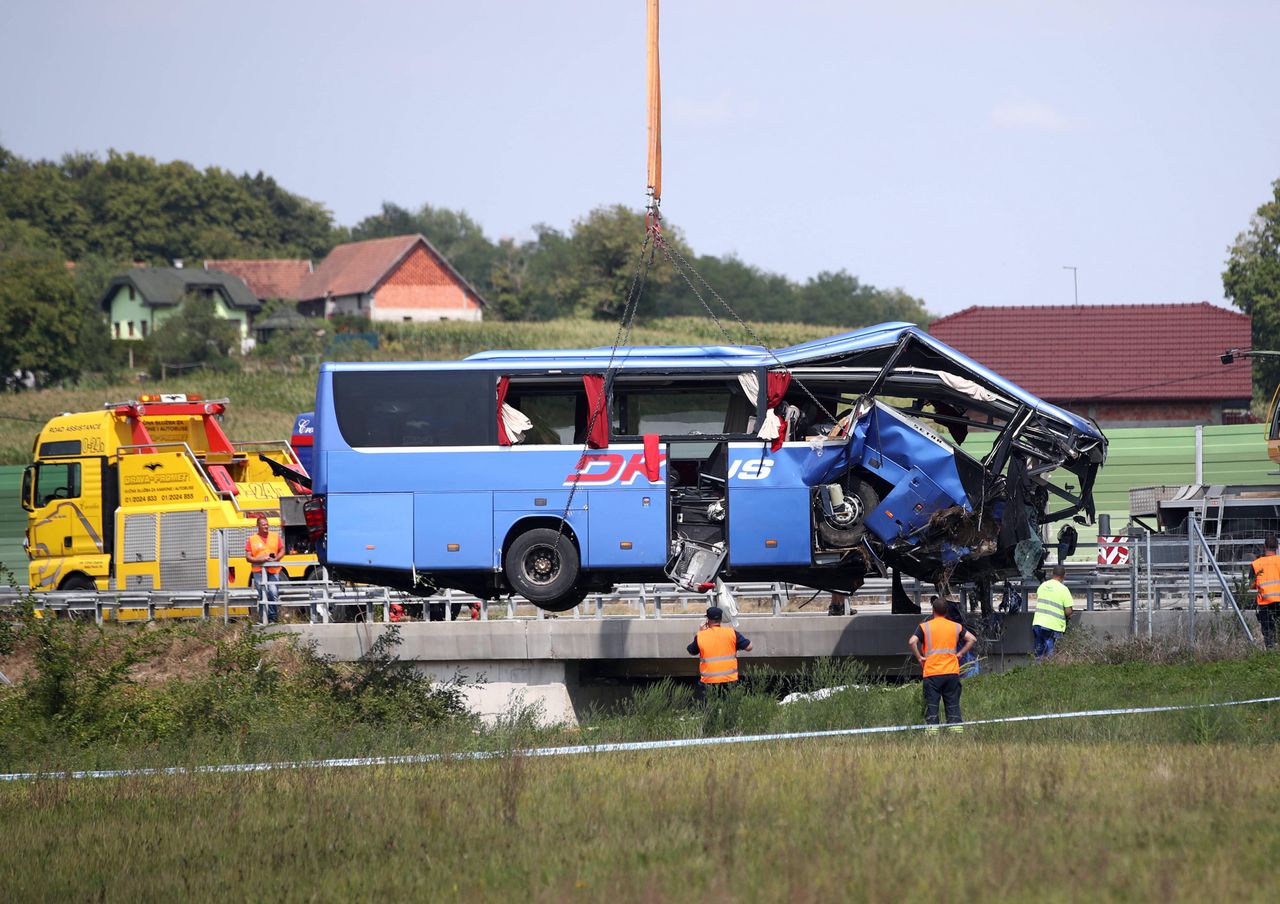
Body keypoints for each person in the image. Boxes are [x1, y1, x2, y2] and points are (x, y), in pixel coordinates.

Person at [687, 606, 752, 700]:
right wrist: (736, 646)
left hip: (709, 681)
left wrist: (700, 632)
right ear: (721, 619)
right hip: (729, 679)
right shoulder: (731, 632)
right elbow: (749, 647)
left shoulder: (701, 635)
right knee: (729, 708)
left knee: (710, 708)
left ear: (707, 620)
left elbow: (691, 651)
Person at [245, 514, 283, 623]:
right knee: (262, 593)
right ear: (258, 526)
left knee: (273, 592)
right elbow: (248, 557)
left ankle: (273, 618)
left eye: (267, 524)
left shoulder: (275, 536)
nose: (266, 526)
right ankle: (263, 618)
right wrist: (260, 560)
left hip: (273, 570)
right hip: (259, 571)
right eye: (263, 525)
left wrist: (276, 559)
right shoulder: (252, 539)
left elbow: (282, 550)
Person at [1032, 563, 1074, 658]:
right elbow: (1068, 611)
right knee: (1051, 657)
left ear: (1052, 573)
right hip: (1052, 627)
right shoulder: (1064, 589)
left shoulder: (1042, 586)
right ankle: (1049, 671)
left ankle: (1037, 671)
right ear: (1064, 576)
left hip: (1037, 624)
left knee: (1039, 655)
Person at [1250, 534, 1280, 649]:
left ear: (1264, 546)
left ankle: (1271, 650)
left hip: (1265, 602)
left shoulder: (1256, 563)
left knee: (1268, 630)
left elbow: (1251, 584)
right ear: (1277, 547)